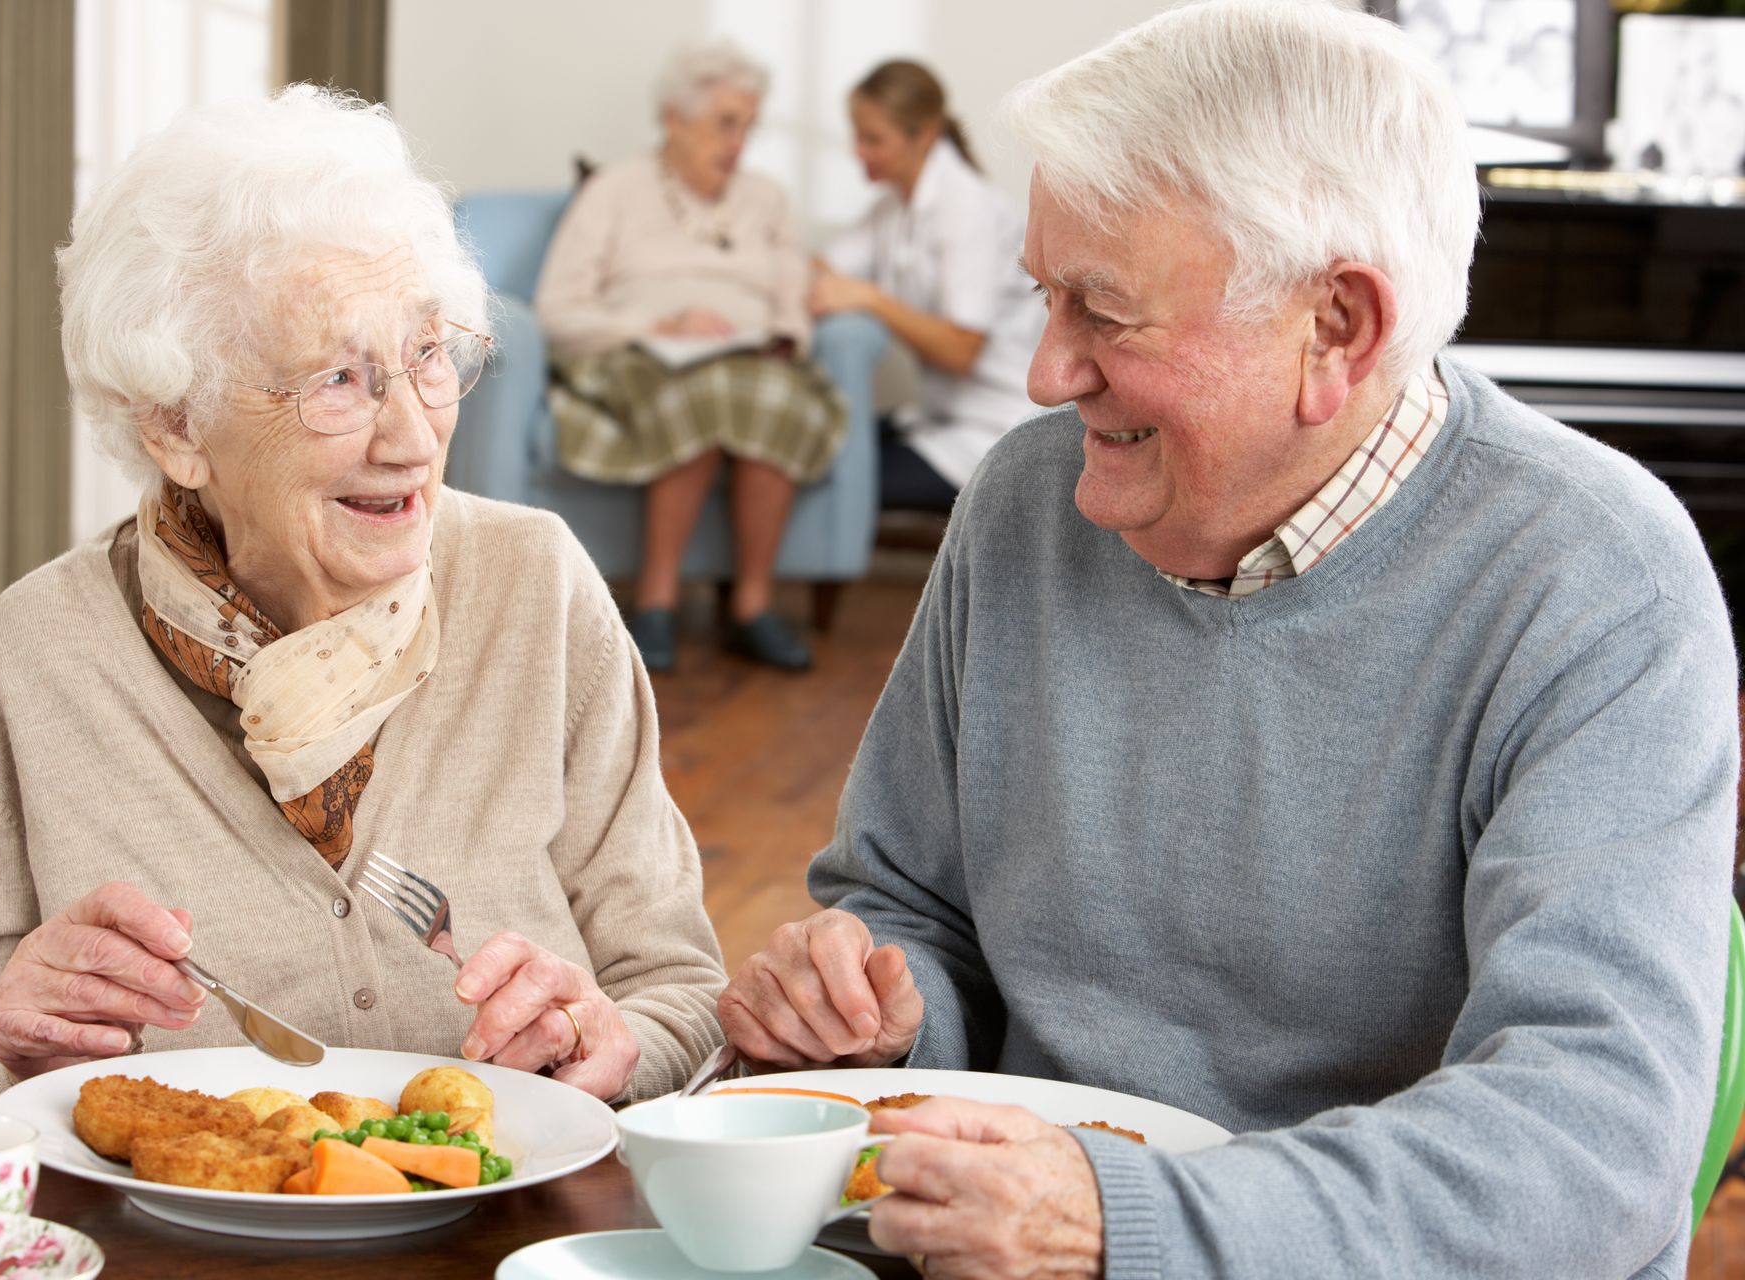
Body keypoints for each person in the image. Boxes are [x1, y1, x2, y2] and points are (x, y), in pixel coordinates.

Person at [717, 2, 1740, 1276]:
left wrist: (1129, 1227)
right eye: (1046, 295)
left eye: (1103, 310)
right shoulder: (1027, 501)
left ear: (1336, 329)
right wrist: (876, 1013)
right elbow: (906, 899)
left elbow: (1594, 1146)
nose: (1045, 371)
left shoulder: (1600, 581)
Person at [0, 86, 727, 1111]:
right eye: (338, 377)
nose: (412, 435)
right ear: (175, 428)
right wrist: (27, 1067)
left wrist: (617, 1042)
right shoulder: (39, 655)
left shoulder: (535, 586)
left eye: (427, 355)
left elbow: (681, 993)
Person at [534, 42, 844, 675]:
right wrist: (656, 324)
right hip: (643, 356)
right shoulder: (615, 191)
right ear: (675, 120)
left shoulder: (767, 200)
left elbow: (792, 300)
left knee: (769, 395)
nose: (740, 142)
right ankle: (656, 602)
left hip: (750, 360)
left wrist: (779, 338)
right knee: (701, 391)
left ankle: (752, 608)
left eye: (749, 126)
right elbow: (557, 310)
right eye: (726, 123)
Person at [812, 60, 1044, 513]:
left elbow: (961, 348)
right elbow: (822, 269)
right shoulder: (894, 207)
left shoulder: (965, 207)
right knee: (815, 441)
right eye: (857, 136)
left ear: (924, 134)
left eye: (873, 139)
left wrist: (870, 298)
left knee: (834, 474)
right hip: (942, 418)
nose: (858, 151)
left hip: (996, 426)